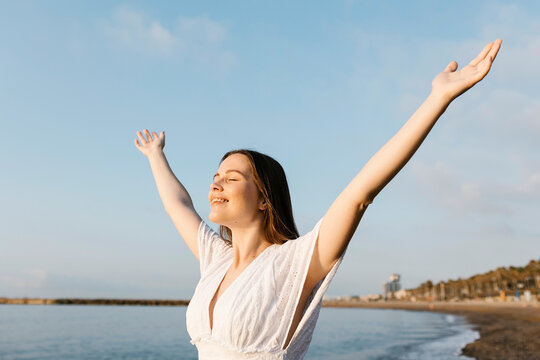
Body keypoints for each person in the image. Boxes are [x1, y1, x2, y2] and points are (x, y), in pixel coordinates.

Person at [134, 39, 502, 360]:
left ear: (265, 199)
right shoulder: (215, 261)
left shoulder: (295, 263)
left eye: (231, 178)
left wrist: (438, 98)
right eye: (215, 178)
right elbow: (177, 205)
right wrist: (156, 156)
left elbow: (361, 193)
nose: (216, 185)